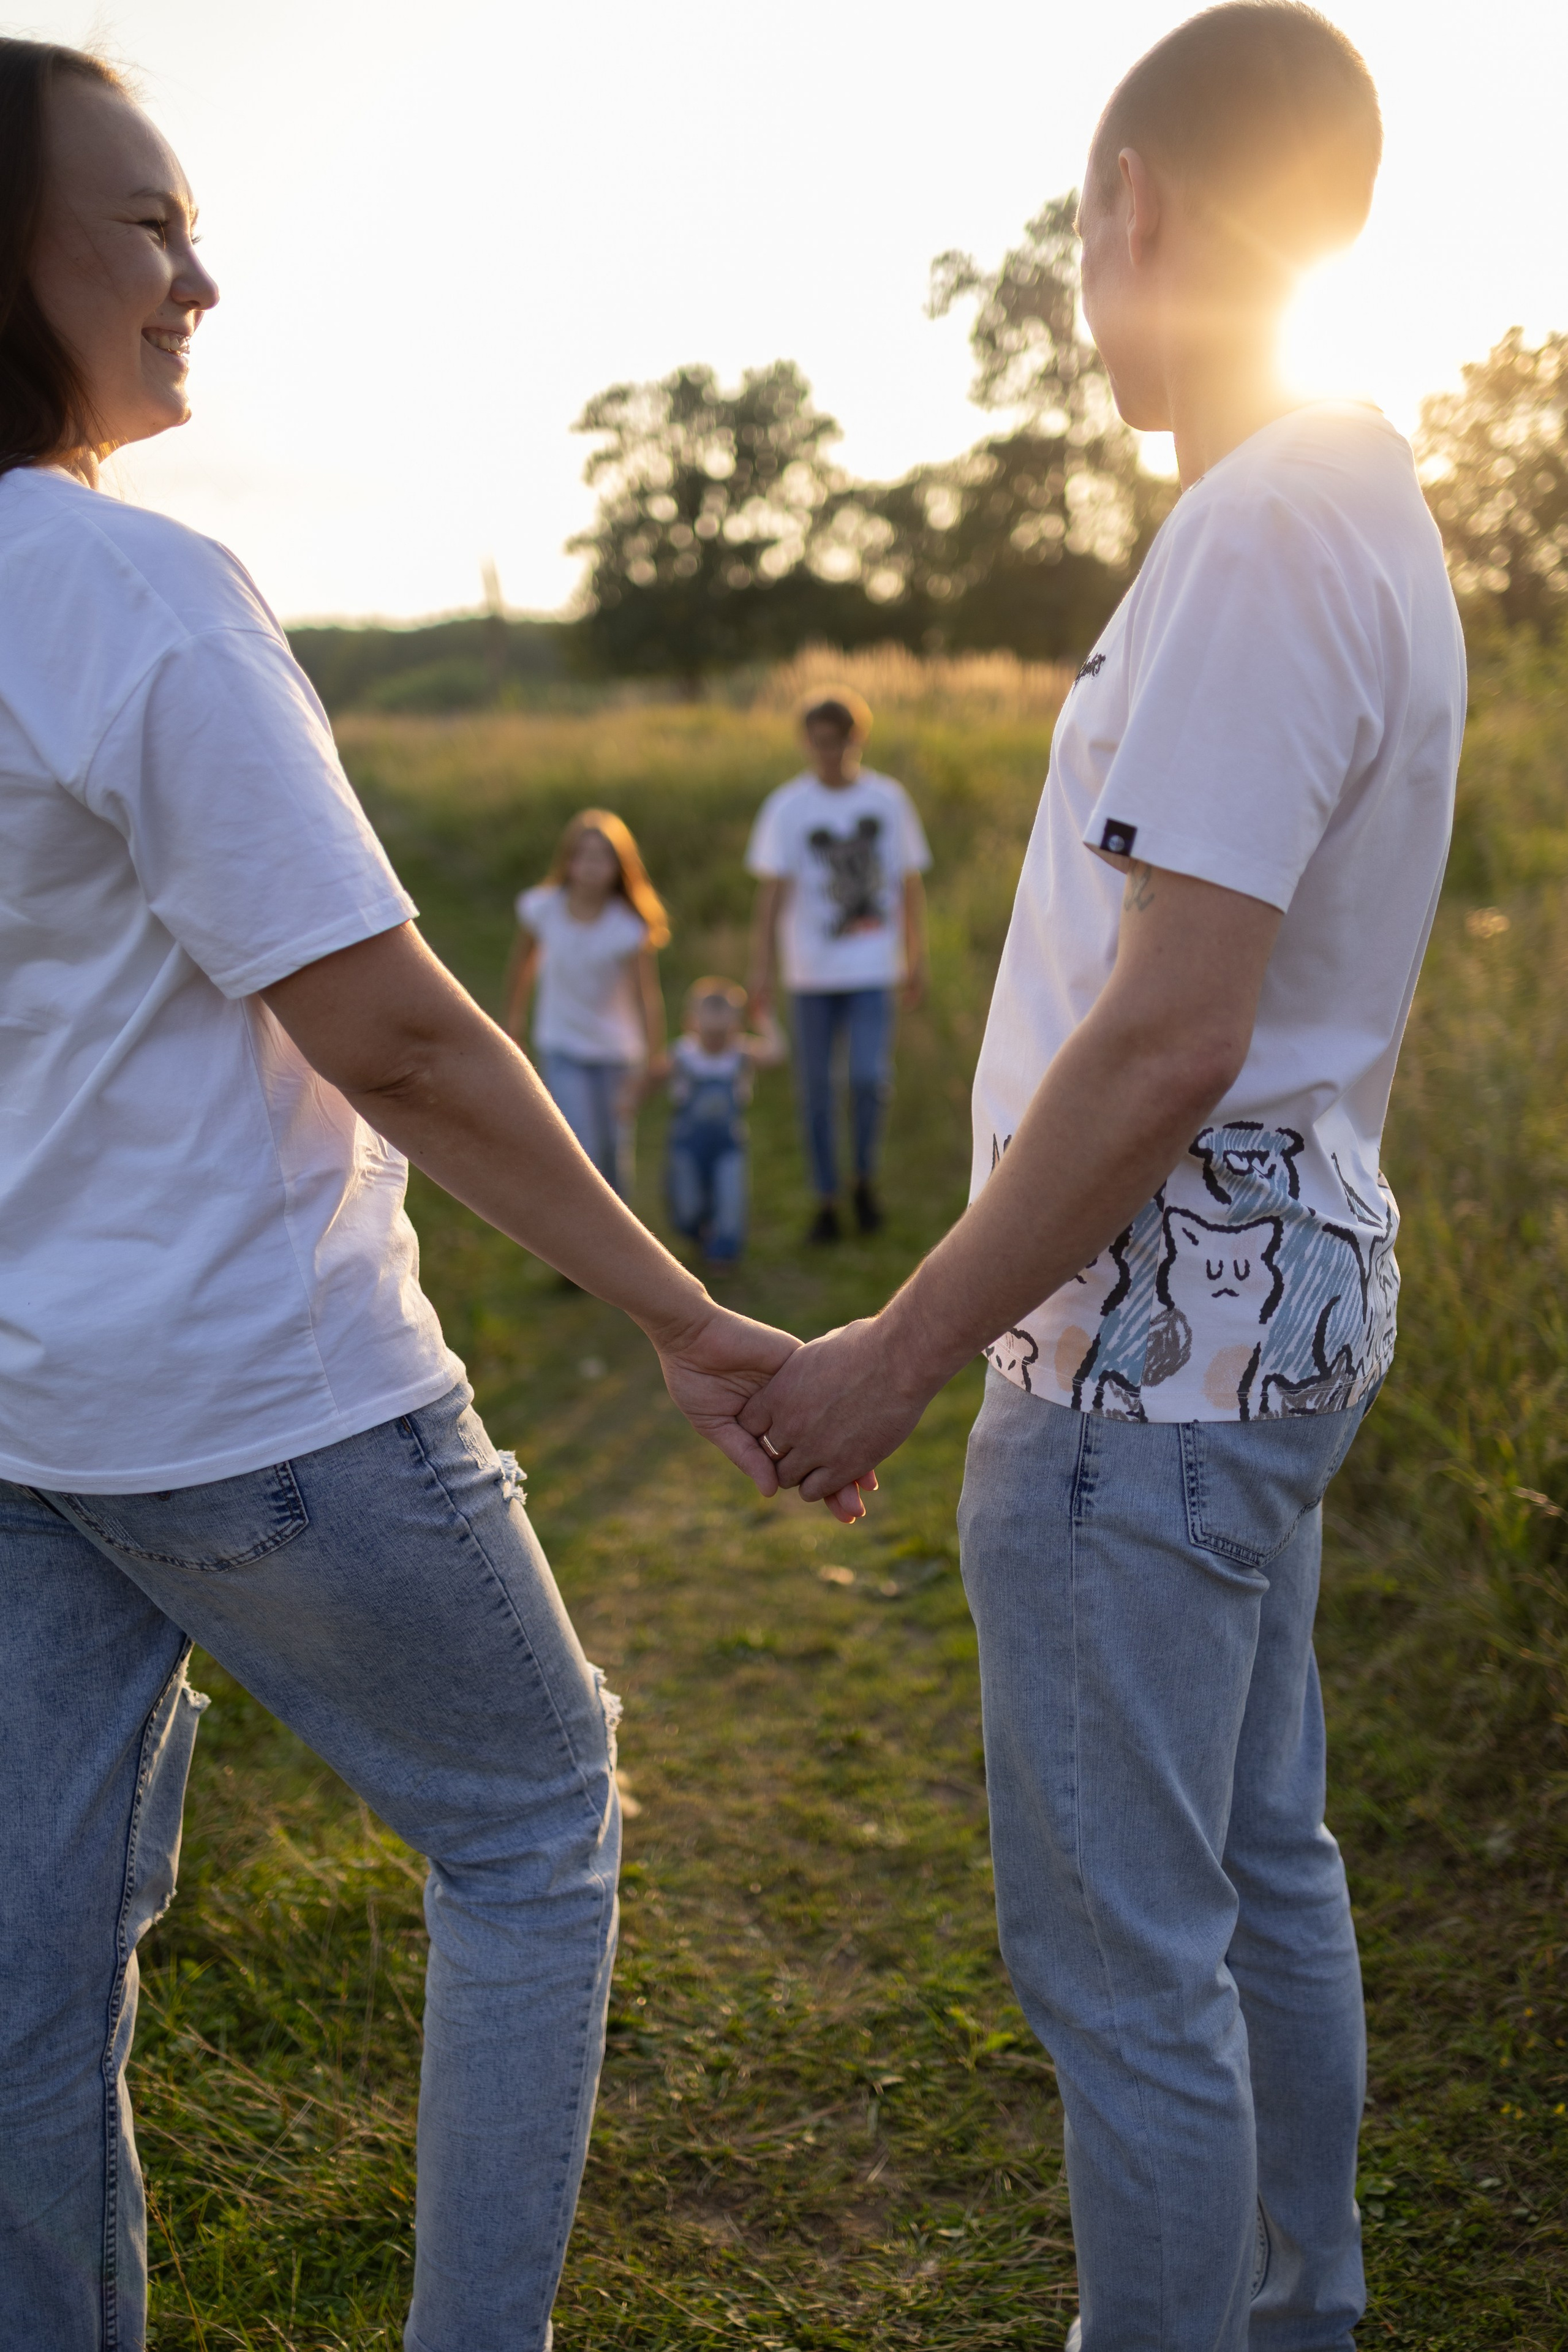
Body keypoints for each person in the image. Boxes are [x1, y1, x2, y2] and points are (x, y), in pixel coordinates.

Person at [0, 43, 865, 2352]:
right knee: (529, 1824)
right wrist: (688, 1319)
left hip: (27, 1417)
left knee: (25, 1971)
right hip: (256, 1396)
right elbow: (385, 1029)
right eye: (144, 226)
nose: (200, 274)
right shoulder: (131, 594)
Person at [740, 9, 1465, 2349]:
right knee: (1261, 1870)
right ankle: (1295, 2310)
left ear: (1138, 205)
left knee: (1128, 1960)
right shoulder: (1362, 499)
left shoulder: (1257, 532)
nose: (1080, 274)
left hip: (1139, 1367)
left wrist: (891, 1350)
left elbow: (1170, 1026)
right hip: (1272, 1313)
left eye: (1078, 225)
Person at [745, 688, 930, 1243]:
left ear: (858, 739)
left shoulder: (887, 800)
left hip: (873, 967)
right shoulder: (788, 807)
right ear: (807, 743)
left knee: (870, 1079)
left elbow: (908, 882)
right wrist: (761, 967)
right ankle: (827, 1199)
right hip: (811, 972)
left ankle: (864, 1180)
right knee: (816, 1090)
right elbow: (772, 893)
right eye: (818, 743)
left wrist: (916, 957)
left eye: (839, 742)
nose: (827, 753)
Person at [504, 806, 668, 1200]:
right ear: (569, 861)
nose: (593, 865)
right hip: (561, 1046)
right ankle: (578, 1255)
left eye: (604, 857)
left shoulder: (627, 927)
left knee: (613, 1155)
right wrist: (514, 1022)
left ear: (619, 867)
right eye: (585, 855)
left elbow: (646, 994)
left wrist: (654, 1056)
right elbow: (521, 966)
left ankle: (619, 1252)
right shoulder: (543, 909)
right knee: (582, 1150)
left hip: (615, 1054)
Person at [664, 978, 785, 1267]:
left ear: (737, 1026)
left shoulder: (740, 1053)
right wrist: (629, 1098)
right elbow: (651, 1076)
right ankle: (697, 1230)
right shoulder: (682, 1055)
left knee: (730, 1197)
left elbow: (777, 1055)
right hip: (687, 1146)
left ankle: (724, 1251)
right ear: (691, 1025)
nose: (718, 1042)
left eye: (724, 1033)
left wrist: (765, 1020)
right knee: (687, 1203)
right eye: (711, 1034)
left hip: (729, 1144)